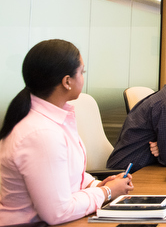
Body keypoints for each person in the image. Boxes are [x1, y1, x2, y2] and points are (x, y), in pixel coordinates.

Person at [0, 39, 133, 225]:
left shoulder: (53, 118)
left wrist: (95, 184)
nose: (83, 77)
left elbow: (64, 171)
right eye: (82, 72)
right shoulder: (41, 133)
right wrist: (107, 192)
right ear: (67, 81)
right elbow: (58, 213)